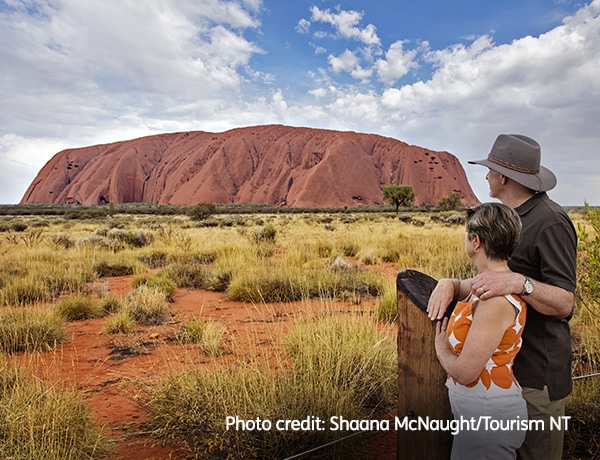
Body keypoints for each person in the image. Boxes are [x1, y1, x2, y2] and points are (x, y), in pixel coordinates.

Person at [428, 134, 577, 460]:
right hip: (501, 377)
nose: (486, 176)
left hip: (536, 377)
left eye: (491, 169)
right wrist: (451, 284)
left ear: (504, 176)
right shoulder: (508, 218)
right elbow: (491, 282)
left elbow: (565, 301)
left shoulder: (550, 221)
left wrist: (520, 283)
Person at [434, 202, 527, 459]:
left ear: (476, 242)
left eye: (467, 235)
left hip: (489, 417)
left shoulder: (494, 300)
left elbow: (465, 372)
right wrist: (446, 283)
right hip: (482, 414)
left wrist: (441, 349)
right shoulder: (487, 284)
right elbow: (459, 286)